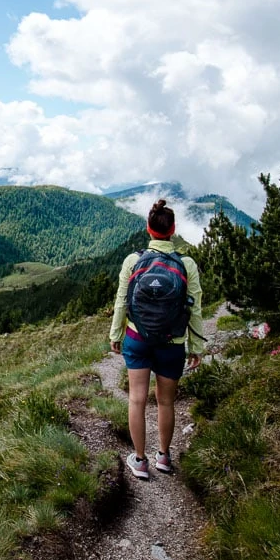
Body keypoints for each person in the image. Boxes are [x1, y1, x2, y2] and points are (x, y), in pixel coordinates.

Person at [109, 200, 204, 479]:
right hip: (172, 343)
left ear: (148, 229)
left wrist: (116, 334)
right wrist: (196, 347)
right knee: (166, 402)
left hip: (137, 338)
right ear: (173, 229)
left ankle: (139, 461)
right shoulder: (187, 264)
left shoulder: (133, 260)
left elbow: (122, 302)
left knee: (136, 400)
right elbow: (194, 309)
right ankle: (163, 456)